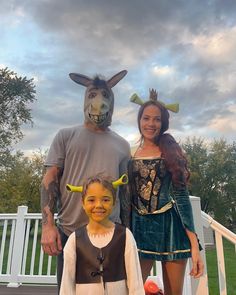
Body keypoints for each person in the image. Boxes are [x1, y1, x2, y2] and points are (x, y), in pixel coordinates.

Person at [40, 70, 131, 292]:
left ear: (112, 100)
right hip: (71, 232)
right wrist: (48, 225)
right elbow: (49, 179)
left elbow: (126, 191)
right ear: (85, 98)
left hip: (111, 234)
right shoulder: (65, 136)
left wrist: (127, 232)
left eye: (105, 95)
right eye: (92, 94)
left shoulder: (122, 145)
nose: (98, 102)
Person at [128, 89, 204, 295]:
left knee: (173, 292)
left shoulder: (170, 151)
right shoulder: (129, 154)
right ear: (139, 120)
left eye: (156, 119)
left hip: (171, 229)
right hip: (139, 229)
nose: (150, 124)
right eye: (146, 118)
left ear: (163, 123)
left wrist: (194, 244)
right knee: (132, 290)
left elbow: (181, 196)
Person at [60, 174, 145, 295]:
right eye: (91, 200)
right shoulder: (74, 240)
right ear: (83, 203)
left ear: (114, 202)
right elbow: (67, 285)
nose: (98, 205)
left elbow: (135, 283)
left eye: (105, 199)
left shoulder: (125, 236)